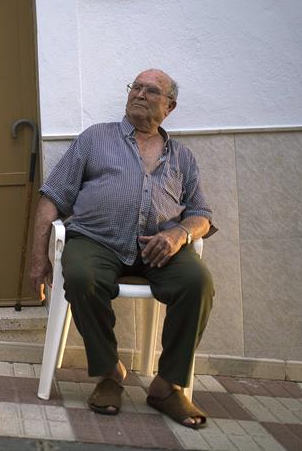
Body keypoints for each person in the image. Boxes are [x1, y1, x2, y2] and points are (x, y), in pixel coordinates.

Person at [30, 69, 216, 429]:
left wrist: (179, 235)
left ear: (170, 106)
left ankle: (167, 385)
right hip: (96, 241)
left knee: (198, 284)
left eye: (151, 90)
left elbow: (201, 215)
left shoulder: (183, 158)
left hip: (161, 249)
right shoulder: (95, 138)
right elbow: (52, 197)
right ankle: (109, 373)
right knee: (82, 277)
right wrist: (37, 261)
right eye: (135, 87)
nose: (139, 94)